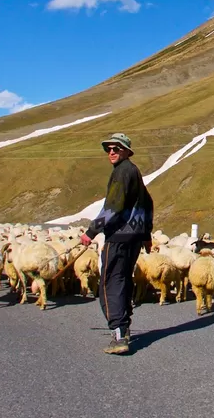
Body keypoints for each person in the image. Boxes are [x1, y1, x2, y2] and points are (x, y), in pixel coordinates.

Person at [80, 132, 153, 355]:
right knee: (123, 280)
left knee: (109, 283)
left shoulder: (122, 173)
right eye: (108, 149)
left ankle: (119, 333)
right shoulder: (134, 172)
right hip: (133, 238)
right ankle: (125, 326)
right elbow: (148, 203)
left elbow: (113, 206)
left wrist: (91, 231)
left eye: (116, 148)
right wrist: (146, 234)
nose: (111, 152)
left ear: (126, 151)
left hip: (119, 237)